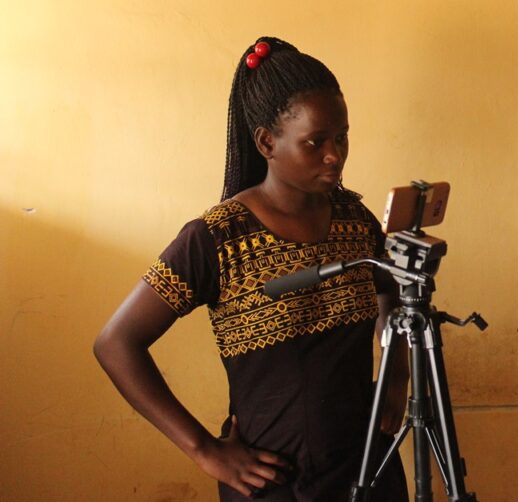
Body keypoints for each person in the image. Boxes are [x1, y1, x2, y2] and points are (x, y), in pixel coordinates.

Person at [94, 37, 409, 501]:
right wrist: (203, 449)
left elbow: (393, 293)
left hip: (368, 469)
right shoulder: (216, 239)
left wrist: (397, 373)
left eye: (341, 136)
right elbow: (115, 344)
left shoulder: (355, 220)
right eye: (315, 142)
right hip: (275, 482)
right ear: (266, 141)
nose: (334, 155)